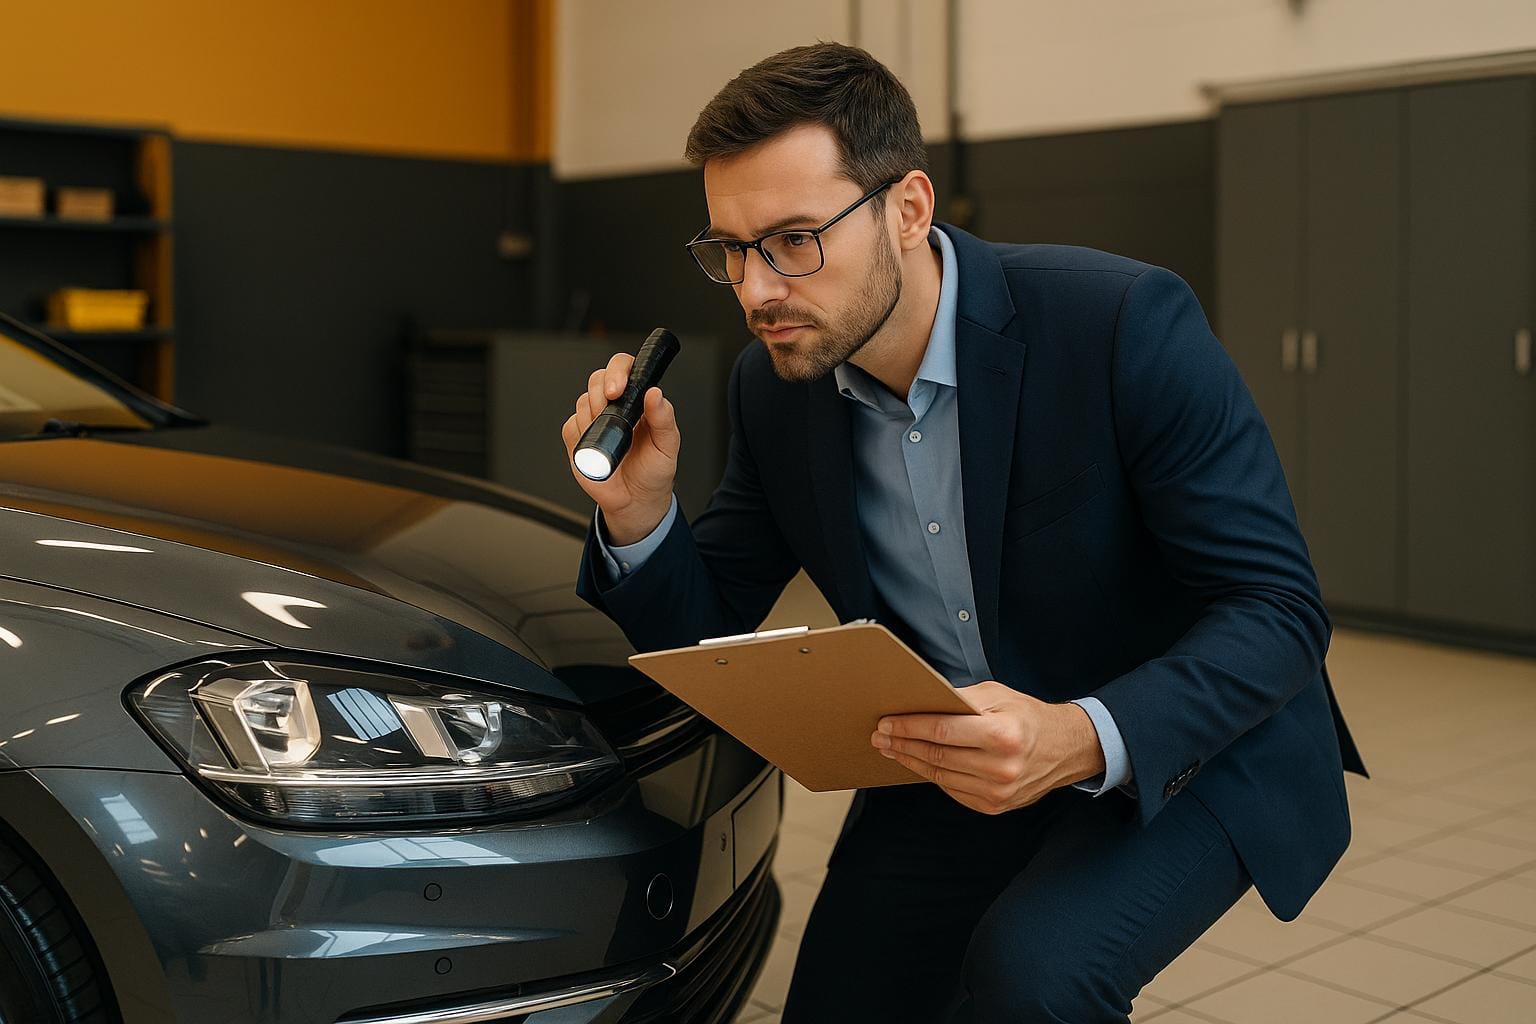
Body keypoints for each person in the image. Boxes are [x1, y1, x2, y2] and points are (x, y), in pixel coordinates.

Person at [561, 42, 1364, 1024]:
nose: (757, 290)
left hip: (1181, 739)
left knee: (1031, 977)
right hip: (959, 759)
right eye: (730, 249)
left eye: (794, 240)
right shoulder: (775, 388)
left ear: (908, 209)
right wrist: (639, 514)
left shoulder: (1118, 322)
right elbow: (709, 633)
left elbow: (1279, 611)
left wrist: (1080, 735)